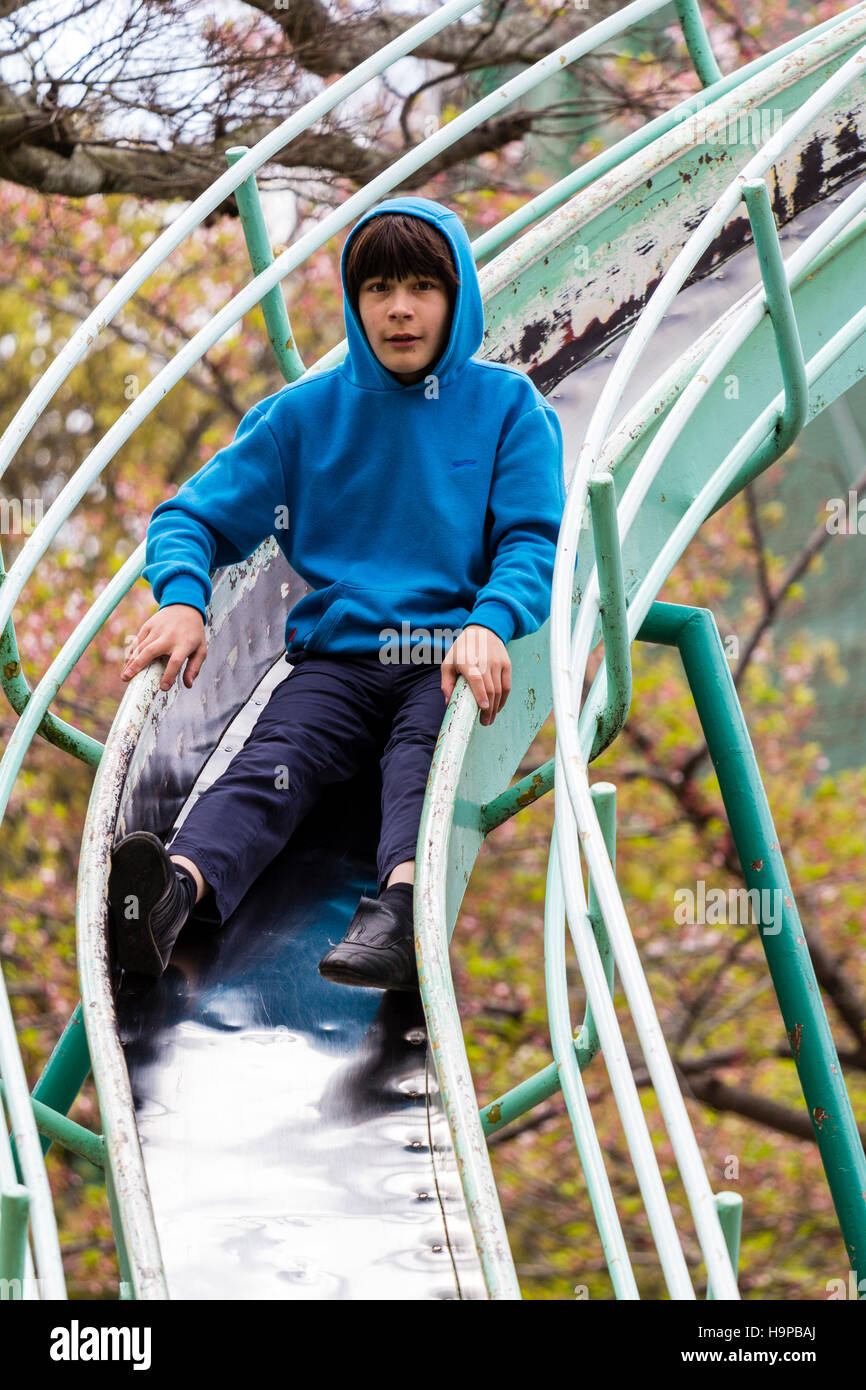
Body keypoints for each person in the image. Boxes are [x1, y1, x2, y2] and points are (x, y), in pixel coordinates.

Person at [109, 194, 565, 991]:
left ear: (455, 298)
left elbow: (530, 540)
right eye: (378, 289)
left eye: (422, 288)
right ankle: (175, 894)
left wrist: (492, 621)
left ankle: (398, 912)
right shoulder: (304, 417)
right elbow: (191, 517)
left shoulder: (506, 408)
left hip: (446, 652)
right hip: (341, 658)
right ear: (354, 304)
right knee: (272, 761)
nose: (399, 310)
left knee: (422, 757)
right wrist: (183, 597)